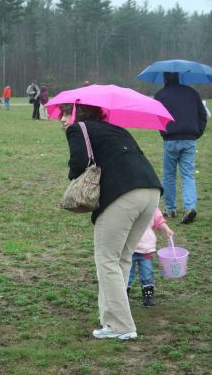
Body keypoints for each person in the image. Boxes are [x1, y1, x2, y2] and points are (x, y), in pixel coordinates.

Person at [60, 103, 163, 340]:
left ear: (78, 113)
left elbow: (78, 164)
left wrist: (73, 178)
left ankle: (122, 325)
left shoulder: (78, 129)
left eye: (67, 113)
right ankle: (111, 319)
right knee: (122, 258)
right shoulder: (117, 129)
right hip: (150, 191)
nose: (63, 120)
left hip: (123, 194)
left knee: (107, 259)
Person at [154, 72, 207, 224]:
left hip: (170, 139)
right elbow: (202, 114)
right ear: (179, 77)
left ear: (165, 78)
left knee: (169, 175)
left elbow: (156, 116)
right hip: (189, 139)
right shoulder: (192, 92)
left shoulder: (160, 94)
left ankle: (170, 209)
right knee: (188, 175)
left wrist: (163, 131)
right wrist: (197, 132)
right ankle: (190, 206)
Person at [127, 207, 174, 307]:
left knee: (147, 274)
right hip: (128, 248)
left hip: (146, 249)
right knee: (126, 275)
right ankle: (123, 296)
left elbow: (158, 220)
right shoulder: (127, 203)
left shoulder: (151, 205)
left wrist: (166, 229)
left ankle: (148, 296)